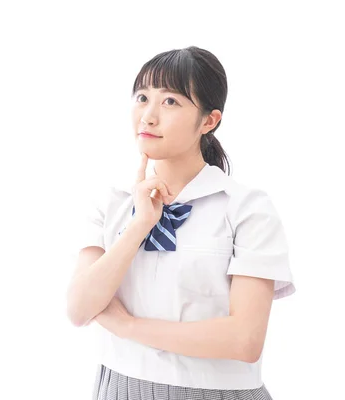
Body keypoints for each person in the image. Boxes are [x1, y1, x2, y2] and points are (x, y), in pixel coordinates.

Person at [66, 46, 295, 400]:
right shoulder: (112, 202)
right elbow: (80, 310)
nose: (149, 116)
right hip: (118, 389)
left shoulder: (247, 208)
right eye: (142, 97)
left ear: (209, 120)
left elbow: (245, 340)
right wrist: (140, 224)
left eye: (170, 102)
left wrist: (128, 326)